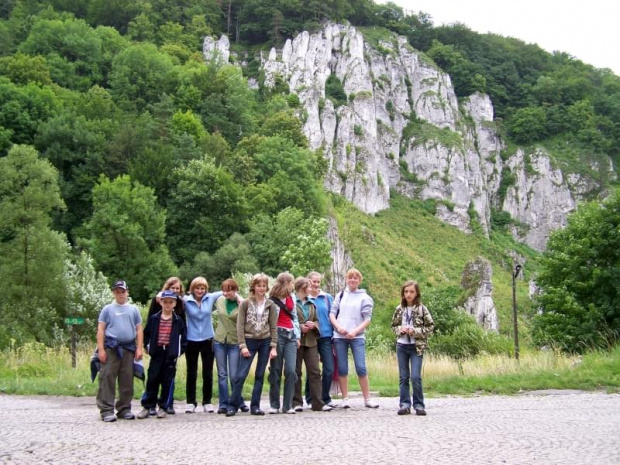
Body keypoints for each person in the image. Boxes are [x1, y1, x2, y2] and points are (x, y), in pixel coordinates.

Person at [226, 273, 277, 417]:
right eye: (258, 285)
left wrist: (273, 346)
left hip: (265, 341)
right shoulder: (245, 303)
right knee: (241, 375)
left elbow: (273, 326)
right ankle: (232, 405)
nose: (261, 288)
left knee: (260, 374)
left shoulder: (270, 304)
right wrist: (242, 345)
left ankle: (255, 406)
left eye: (263, 286)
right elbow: (240, 325)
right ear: (253, 287)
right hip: (249, 340)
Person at [329, 268, 379, 409]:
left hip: (357, 337)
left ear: (359, 280)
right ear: (346, 279)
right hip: (340, 336)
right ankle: (345, 398)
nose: (352, 280)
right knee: (342, 368)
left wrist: (355, 331)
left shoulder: (365, 298)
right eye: (350, 278)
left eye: (355, 278)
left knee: (361, 367)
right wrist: (338, 328)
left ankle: (367, 399)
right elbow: (332, 315)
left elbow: (367, 319)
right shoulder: (339, 296)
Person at [96, 280, 143, 422]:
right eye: (117, 291)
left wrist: (139, 348)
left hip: (128, 348)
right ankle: (106, 410)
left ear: (127, 292)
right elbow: (100, 329)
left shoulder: (134, 309)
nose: (120, 294)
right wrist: (101, 350)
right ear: (114, 293)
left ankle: (124, 408)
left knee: (127, 379)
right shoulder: (107, 309)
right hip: (111, 348)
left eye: (123, 291)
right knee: (107, 377)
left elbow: (139, 329)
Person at [138, 290, 187, 419]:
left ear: (175, 304)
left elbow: (184, 339)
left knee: (167, 381)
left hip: (170, 354)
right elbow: (147, 334)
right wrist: (148, 347)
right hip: (157, 352)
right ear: (161, 302)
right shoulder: (154, 318)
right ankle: (148, 406)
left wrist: (178, 352)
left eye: (170, 302)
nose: (168, 304)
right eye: (165, 302)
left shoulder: (178, 321)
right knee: (152, 380)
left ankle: (164, 406)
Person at [390, 280, 434, 416]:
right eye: (406, 292)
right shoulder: (399, 309)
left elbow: (430, 327)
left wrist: (415, 331)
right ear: (403, 294)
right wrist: (400, 330)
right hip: (401, 346)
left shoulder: (422, 309)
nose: (408, 294)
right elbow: (393, 326)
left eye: (411, 292)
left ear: (417, 293)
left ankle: (419, 405)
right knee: (403, 377)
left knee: (415, 377)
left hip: (416, 347)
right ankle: (404, 404)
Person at [183, 277, 222, 414]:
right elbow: (162, 295)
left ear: (206, 289)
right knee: (191, 372)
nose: (200, 291)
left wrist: (240, 299)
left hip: (207, 339)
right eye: (197, 288)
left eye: (202, 288)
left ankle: (207, 401)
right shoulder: (185, 300)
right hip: (191, 340)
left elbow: (228, 291)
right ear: (192, 289)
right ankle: (190, 402)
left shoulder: (210, 298)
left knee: (208, 372)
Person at [292, 277, 332, 412]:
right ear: (302, 288)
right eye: (308, 287)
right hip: (296, 342)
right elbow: (289, 320)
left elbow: (317, 320)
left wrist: (313, 325)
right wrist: (299, 326)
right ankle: (296, 402)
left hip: (311, 341)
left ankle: (318, 403)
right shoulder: (291, 302)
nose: (311, 289)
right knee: (296, 371)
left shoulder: (311, 304)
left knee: (315, 371)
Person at [212, 279, 249, 414]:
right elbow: (207, 296)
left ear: (235, 290)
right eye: (224, 290)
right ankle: (223, 404)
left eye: (229, 290)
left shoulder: (242, 303)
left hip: (235, 342)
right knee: (222, 375)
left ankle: (238, 401)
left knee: (234, 375)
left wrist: (240, 298)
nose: (226, 293)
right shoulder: (219, 300)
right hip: (219, 340)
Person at [268, 272, 300, 414]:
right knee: (275, 370)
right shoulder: (272, 299)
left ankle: (288, 405)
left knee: (291, 370)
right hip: (278, 335)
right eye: (292, 282)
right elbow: (270, 321)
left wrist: (297, 336)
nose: (293, 285)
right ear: (286, 283)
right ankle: (274, 404)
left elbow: (295, 318)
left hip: (291, 335)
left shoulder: (292, 297)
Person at [305, 271, 337, 408]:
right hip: (311, 336)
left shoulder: (327, 297)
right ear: (308, 282)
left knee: (328, 368)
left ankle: (324, 396)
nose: (317, 284)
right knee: (313, 369)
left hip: (325, 336)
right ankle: (310, 397)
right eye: (314, 281)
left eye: (318, 282)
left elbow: (333, 315)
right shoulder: (304, 298)